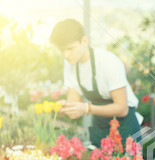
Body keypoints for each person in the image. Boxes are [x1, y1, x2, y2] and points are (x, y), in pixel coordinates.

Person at [49, 19, 141, 148]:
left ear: (84, 41)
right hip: (100, 127)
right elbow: (74, 101)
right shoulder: (70, 64)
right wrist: (64, 108)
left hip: (125, 127)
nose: (66, 55)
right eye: (62, 50)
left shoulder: (108, 62)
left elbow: (122, 108)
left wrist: (86, 108)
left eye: (70, 48)